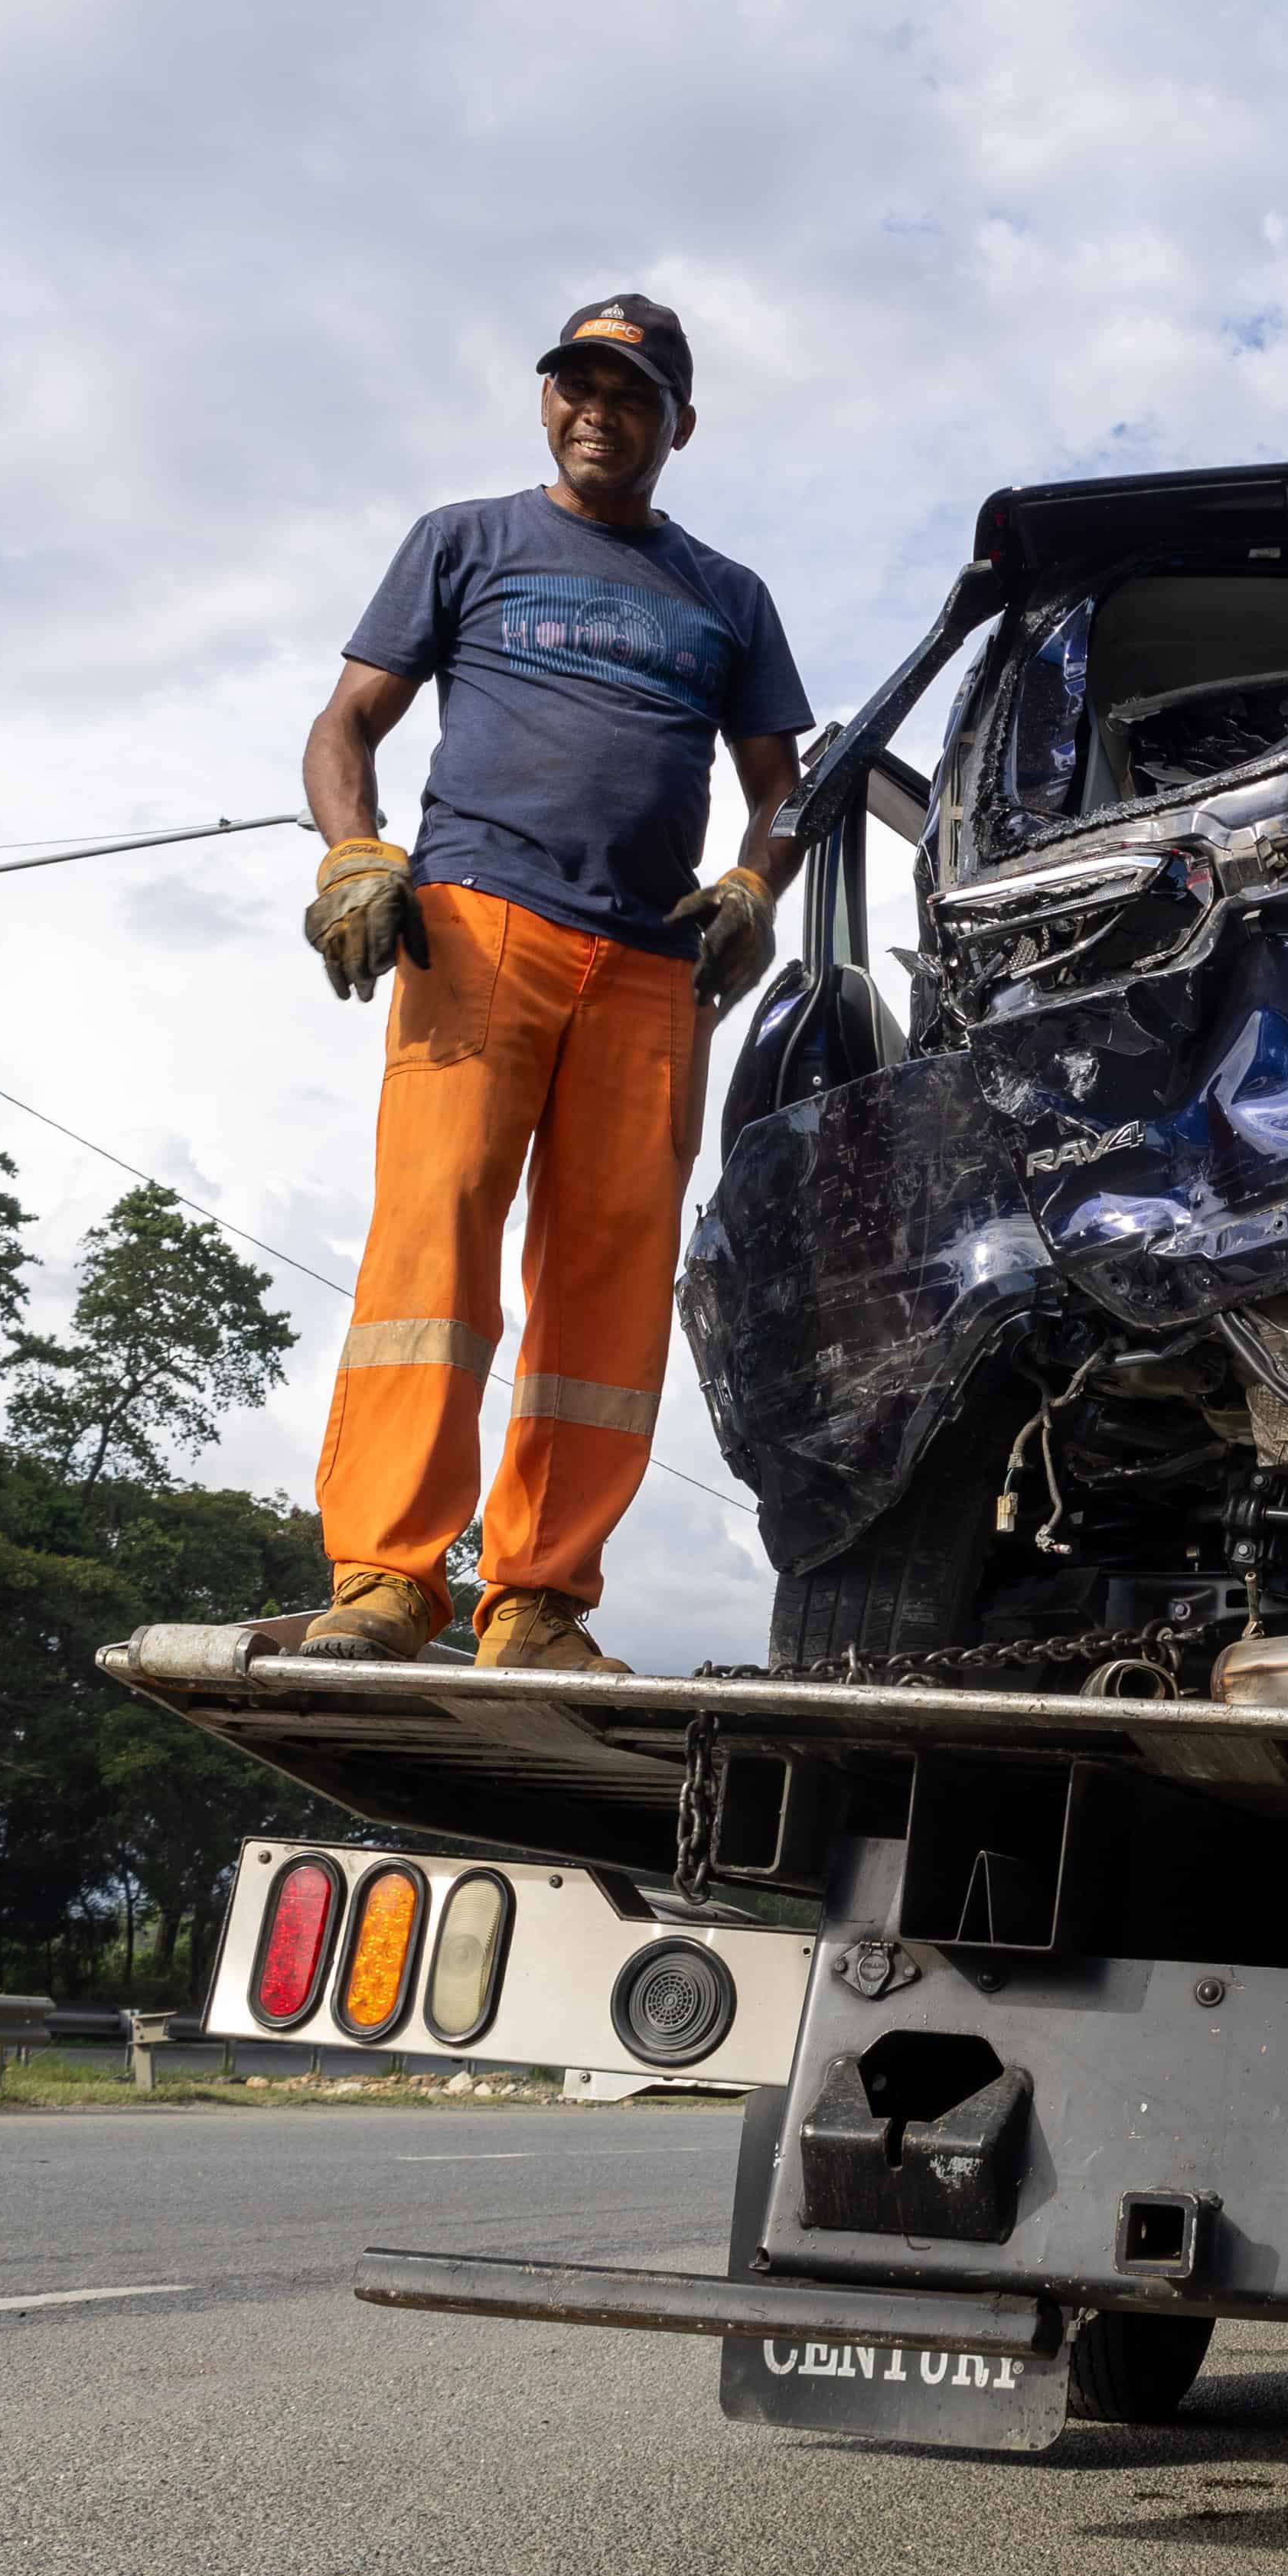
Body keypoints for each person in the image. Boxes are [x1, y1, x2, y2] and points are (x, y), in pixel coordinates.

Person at [291, 293, 810, 1674]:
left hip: (652, 964)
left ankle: (536, 1603)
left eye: (631, 395)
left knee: (611, 1279)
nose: (599, 412)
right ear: (546, 403)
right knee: (435, 1244)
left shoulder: (728, 597)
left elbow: (780, 787)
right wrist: (354, 854)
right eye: (577, 386)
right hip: (475, 928)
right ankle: (391, 1579)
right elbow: (346, 720)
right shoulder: (465, 541)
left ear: (678, 426)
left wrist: (758, 883)